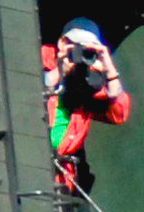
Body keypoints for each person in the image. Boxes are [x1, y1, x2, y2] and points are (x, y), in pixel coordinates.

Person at [40, 18, 131, 191]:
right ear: (63, 43)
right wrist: (59, 72)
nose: (81, 54)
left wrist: (110, 71)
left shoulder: (89, 81)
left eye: (89, 50)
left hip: (60, 178)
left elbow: (119, 113)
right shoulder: (40, 60)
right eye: (78, 46)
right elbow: (25, 92)